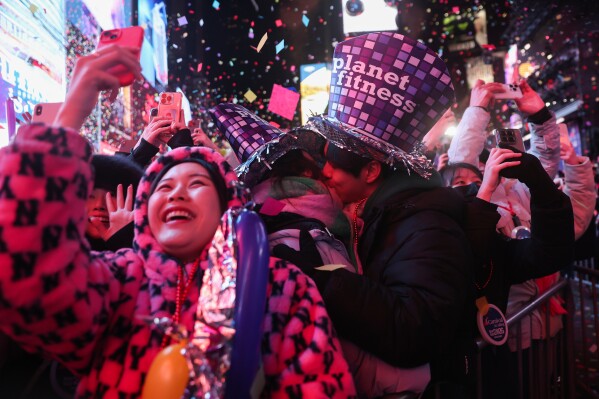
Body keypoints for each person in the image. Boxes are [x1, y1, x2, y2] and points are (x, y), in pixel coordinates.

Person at [0, 44, 356, 398]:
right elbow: (20, 269)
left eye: (196, 183)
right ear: (144, 208)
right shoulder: (120, 279)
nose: (175, 193)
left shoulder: (279, 286)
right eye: (163, 186)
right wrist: (71, 114)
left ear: (225, 207)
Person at [298, 32, 474, 396]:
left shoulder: (427, 224)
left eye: (335, 163)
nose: (325, 173)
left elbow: (416, 328)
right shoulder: (370, 214)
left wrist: (327, 283)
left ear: (372, 172)